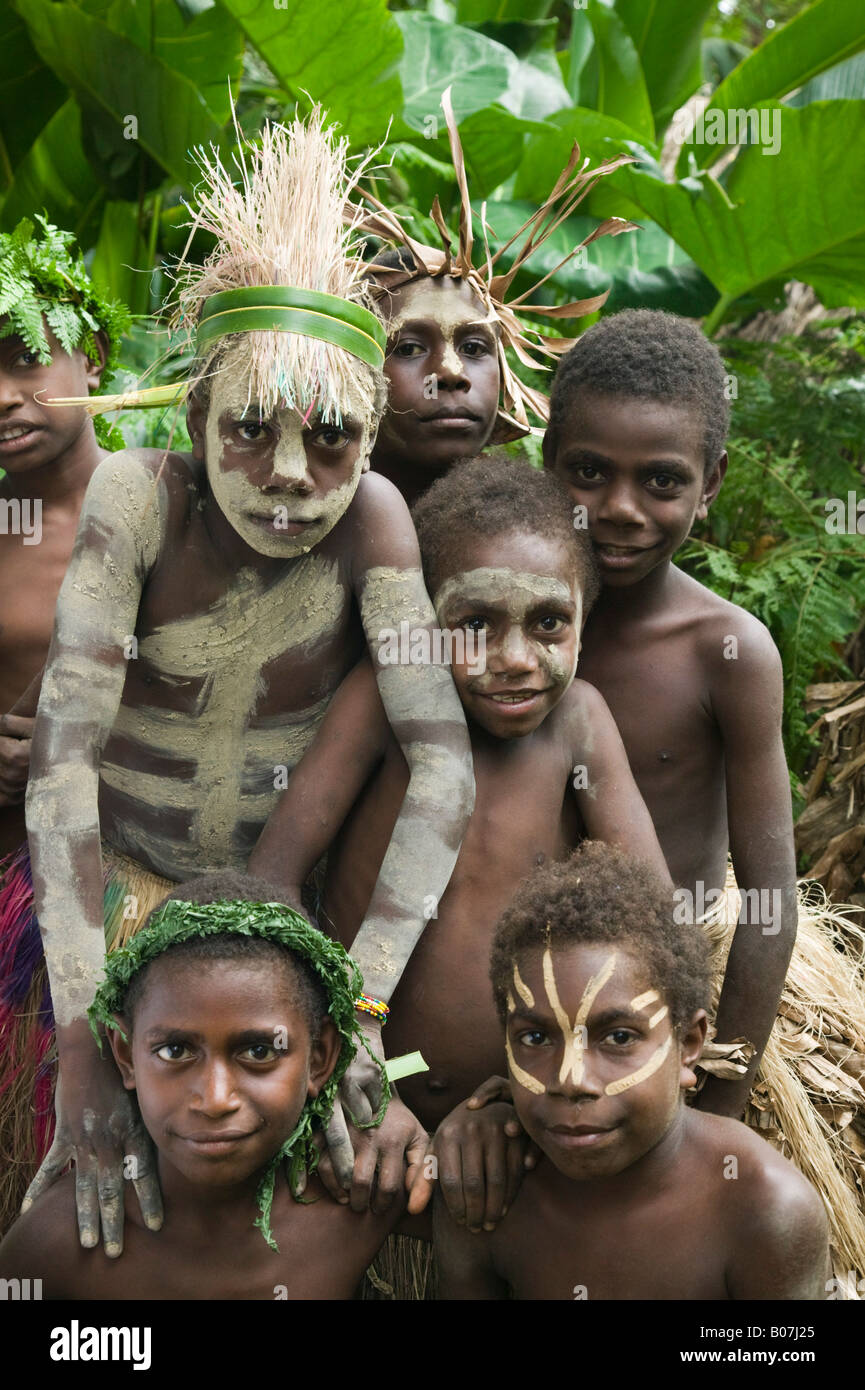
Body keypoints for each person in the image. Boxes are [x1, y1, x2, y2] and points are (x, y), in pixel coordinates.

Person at [3, 110, 474, 1250]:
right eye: (251, 430)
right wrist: (78, 1034)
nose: (289, 477)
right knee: (76, 1197)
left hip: (287, 913)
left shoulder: (376, 522)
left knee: (305, 1195)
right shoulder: (137, 499)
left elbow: (444, 764)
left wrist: (356, 1006)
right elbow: (64, 762)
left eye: (330, 438)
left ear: (367, 438)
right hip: (114, 887)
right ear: (196, 411)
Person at [542, 308, 865, 1278]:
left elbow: (769, 890)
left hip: (676, 982)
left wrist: (717, 1088)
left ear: (711, 485)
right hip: (522, 989)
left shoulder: (725, 653)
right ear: (546, 455)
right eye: (588, 471)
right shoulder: (504, 619)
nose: (621, 508)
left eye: (662, 481)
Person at [251, 455, 670, 1136]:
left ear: (584, 620)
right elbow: (274, 879)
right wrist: (339, 1040)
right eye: (474, 623)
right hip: (369, 1079)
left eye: (548, 624)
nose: (512, 657)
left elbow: (649, 918)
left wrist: (540, 1088)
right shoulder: (382, 701)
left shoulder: (579, 724)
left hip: (524, 1110)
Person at [434, 842, 830, 1300]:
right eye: (536, 1038)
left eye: (619, 1038)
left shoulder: (765, 1209)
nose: (572, 1080)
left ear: (688, 1045)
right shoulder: (485, 1188)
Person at [0, 872, 411, 1299]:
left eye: (257, 1052)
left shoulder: (366, 1196)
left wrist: (475, 1133)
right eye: (175, 1051)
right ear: (125, 1055)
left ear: (321, 1058)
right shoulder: (55, 1246)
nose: (216, 1100)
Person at [0, 216, 129, 1228]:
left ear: (91, 346)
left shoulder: (184, 497)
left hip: (151, 893)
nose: (5, 398)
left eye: (25, 360)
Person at [357, 85, 637, 507]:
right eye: (410, 347)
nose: (450, 373)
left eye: (474, 347)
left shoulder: (541, 537)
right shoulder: (288, 527)